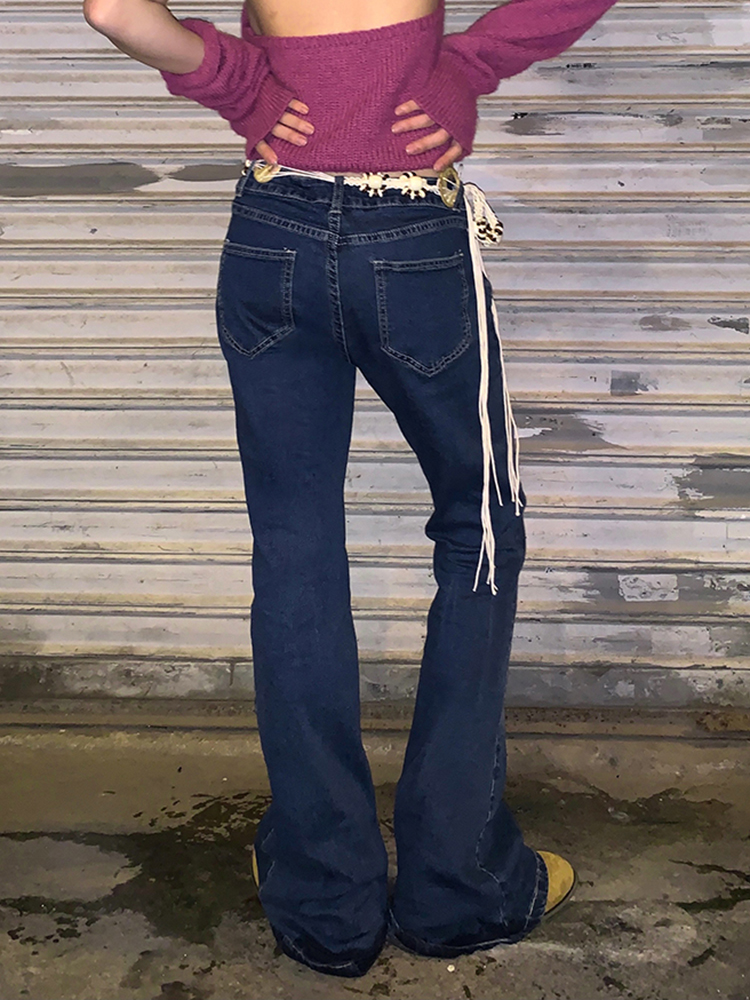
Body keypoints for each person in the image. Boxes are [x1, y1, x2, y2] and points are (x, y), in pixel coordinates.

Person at [83, 0, 618, 978]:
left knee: (295, 553)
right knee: (479, 529)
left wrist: (245, 87)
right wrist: (470, 65)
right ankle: (457, 886)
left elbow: (114, 9)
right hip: (408, 233)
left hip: (270, 232)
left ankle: (326, 904)